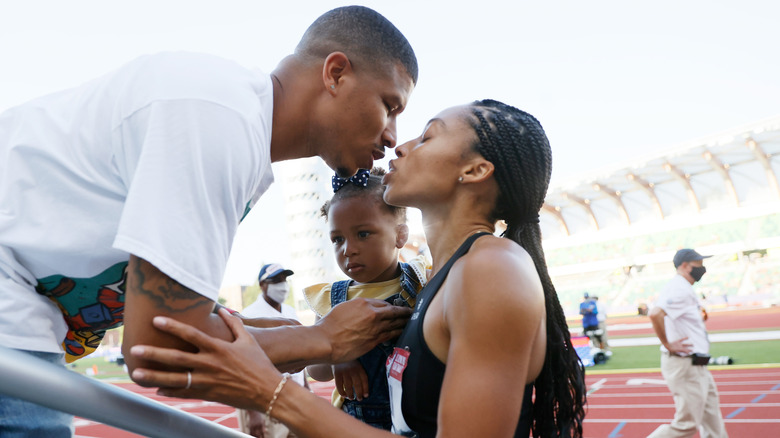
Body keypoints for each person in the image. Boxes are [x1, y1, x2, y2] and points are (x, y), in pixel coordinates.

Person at [0, 6, 417, 436]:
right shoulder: (217, 117)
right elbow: (157, 347)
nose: (392, 135)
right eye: (389, 106)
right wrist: (324, 339)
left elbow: (168, 305)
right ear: (335, 74)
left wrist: (284, 333)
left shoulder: (231, 120)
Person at [130, 99, 587, 437]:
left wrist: (270, 392)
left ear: (474, 171)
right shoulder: (439, 279)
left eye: (427, 136)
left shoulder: (493, 268)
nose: (400, 145)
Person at [303, 167, 428, 431]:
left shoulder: (422, 279)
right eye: (337, 239)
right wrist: (337, 354)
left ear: (400, 235)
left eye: (363, 234)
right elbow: (316, 370)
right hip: (356, 423)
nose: (348, 249)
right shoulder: (331, 298)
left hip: (419, 417)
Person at [647, 249, 728, 438]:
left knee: (712, 421)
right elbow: (655, 314)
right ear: (684, 266)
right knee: (687, 425)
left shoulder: (683, 287)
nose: (703, 269)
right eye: (698, 265)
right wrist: (667, 343)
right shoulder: (679, 288)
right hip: (685, 365)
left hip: (697, 365)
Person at [238, 263, 310, 438]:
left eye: (284, 280)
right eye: (276, 280)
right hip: (264, 401)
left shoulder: (290, 312)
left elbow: (301, 355)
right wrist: (253, 412)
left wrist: (306, 386)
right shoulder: (250, 315)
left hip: (294, 397)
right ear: (262, 285)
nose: (282, 285)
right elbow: (242, 363)